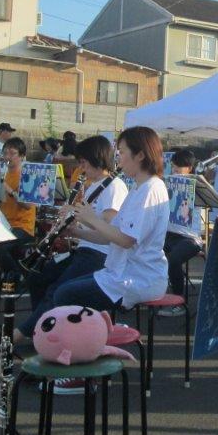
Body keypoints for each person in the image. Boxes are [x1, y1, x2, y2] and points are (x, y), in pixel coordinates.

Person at [17, 135, 128, 343]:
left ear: (96, 159)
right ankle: (45, 329)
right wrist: (70, 228)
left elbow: (108, 226)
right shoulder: (94, 185)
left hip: (100, 254)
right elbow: (87, 222)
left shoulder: (114, 187)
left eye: (84, 162)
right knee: (38, 277)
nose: (81, 167)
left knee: (57, 289)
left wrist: (77, 217)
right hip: (85, 248)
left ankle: (25, 333)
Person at [50, 126, 169, 313]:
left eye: (121, 152)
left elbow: (126, 240)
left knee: (64, 295)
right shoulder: (139, 188)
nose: (118, 158)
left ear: (140, 155)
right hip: (121, 272)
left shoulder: (151, 189)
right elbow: (109, 237)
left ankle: (90, 339)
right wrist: (75, 231)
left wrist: (92, 218)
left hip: (139, 278)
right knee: (63, 290)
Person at [158, 148, 204, 317]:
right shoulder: (166, 184)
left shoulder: (198, 186)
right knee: (144, 250)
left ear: (189, 168)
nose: (175, 170)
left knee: (173, 260)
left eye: (179, 167)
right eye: (173, 167)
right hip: (170, 233)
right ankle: (151, 293)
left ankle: (178, 302)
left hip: (190, 238)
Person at [0, 136, 36, 276]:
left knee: (0, 248)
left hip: (22, 226)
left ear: (22, 156)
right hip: (4, 224)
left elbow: (28, 205)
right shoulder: (2, 175)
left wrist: (10, 191)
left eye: (12, 153)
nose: (7, 156)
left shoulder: (27, 176)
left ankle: (16, 276)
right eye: (5, 153)